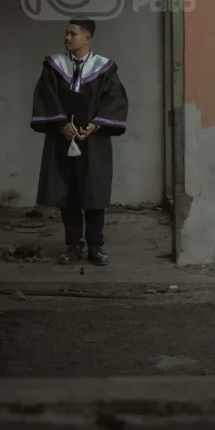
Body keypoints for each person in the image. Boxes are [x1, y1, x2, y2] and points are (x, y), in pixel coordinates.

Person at [30, 19, 128, 265]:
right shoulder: (54, 66)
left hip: (93, 140)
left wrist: (95, 125)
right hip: (62, 137)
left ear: (87, 38)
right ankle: (74, 244)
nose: (67, 38)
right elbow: (47, 96)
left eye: (72, 33)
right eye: (66, 33)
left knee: (94, 193)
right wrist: (60, 123)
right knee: (68, 193)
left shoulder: (105, 68)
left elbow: (114, 100)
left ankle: (96, 246)